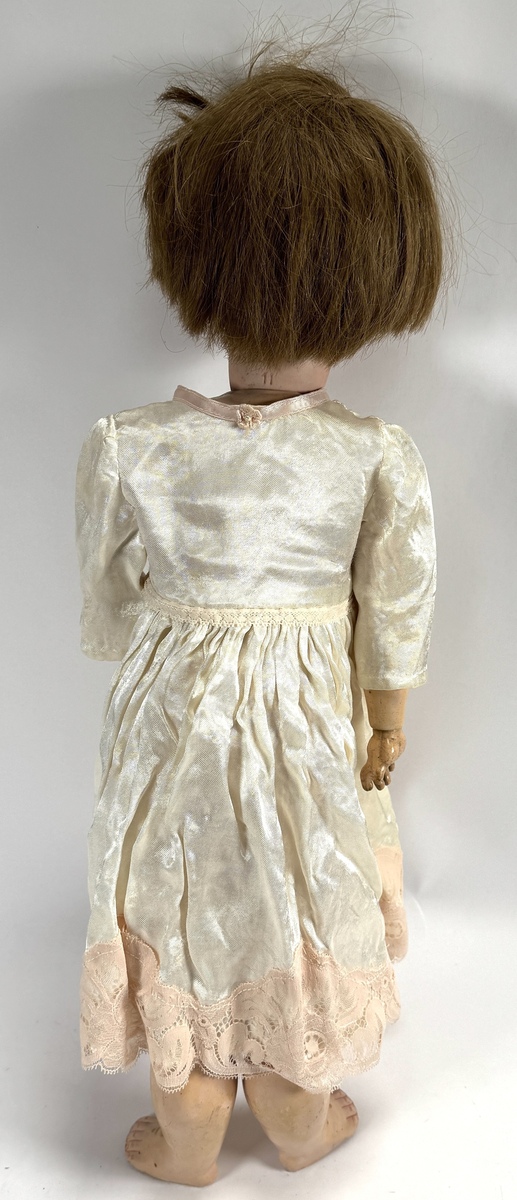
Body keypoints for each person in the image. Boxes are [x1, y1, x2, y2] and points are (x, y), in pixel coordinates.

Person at [75, 45, 441, 1185]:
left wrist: (157, 656)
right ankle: (294, 1118)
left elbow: (106, 608)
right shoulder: (372, 456)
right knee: (297, 901)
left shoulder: (131, 446)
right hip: (308, 733)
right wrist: (386, 719)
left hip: (168, 730)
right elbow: (396, 604)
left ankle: (189, 1132)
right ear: (376, 278)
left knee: (178, 901)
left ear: (196, 261)